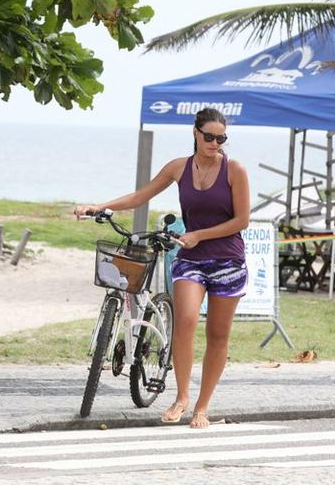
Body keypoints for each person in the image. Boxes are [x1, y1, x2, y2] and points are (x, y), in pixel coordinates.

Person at [74, 108, 250, 429]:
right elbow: (141, 195)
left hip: (228, 261)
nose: (214, 143)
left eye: (221, 138)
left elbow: (242, 221)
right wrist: (100, 206)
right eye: (209, 136)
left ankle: (202, 406)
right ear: (195, 133)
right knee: (184, 321)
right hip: (191, 260)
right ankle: (182, 396)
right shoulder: (178, 168)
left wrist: (199, 234)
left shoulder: (234, 170)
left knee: (218, 335)